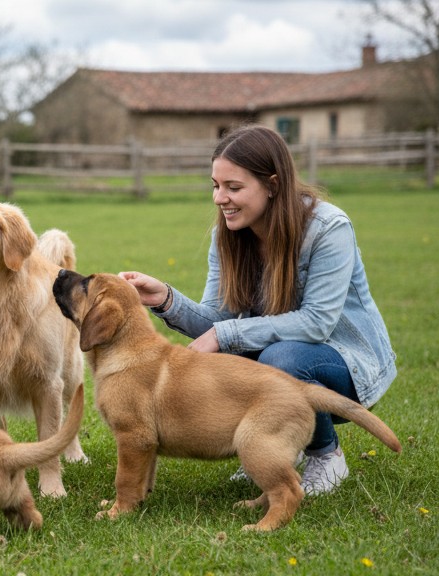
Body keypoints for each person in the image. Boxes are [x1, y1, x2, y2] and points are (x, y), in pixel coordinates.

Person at [119, 124, 396, 496]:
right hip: (282, 361)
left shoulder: (329, 228)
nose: (220, 198)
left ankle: (326, 456)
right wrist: (166, 299)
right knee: (248, 352)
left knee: (279, 356)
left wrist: (225, 334)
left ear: (272, 185)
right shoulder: (227, 236)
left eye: (233, 187)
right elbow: (217, 321)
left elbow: (316, 323)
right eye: (215, 185)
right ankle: (272, 444)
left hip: (347, 365)